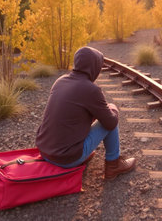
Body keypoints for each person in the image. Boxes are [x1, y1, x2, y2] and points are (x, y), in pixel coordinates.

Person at [35, 46, 136, 179]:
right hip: (66, 159)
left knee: (102, 114)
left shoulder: (60, 81)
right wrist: (114, 110)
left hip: (45, 152)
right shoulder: (91, 90)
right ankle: (113, 165)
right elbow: (110, 123)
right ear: (94, 68)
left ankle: (84, 153)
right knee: (111, 112)